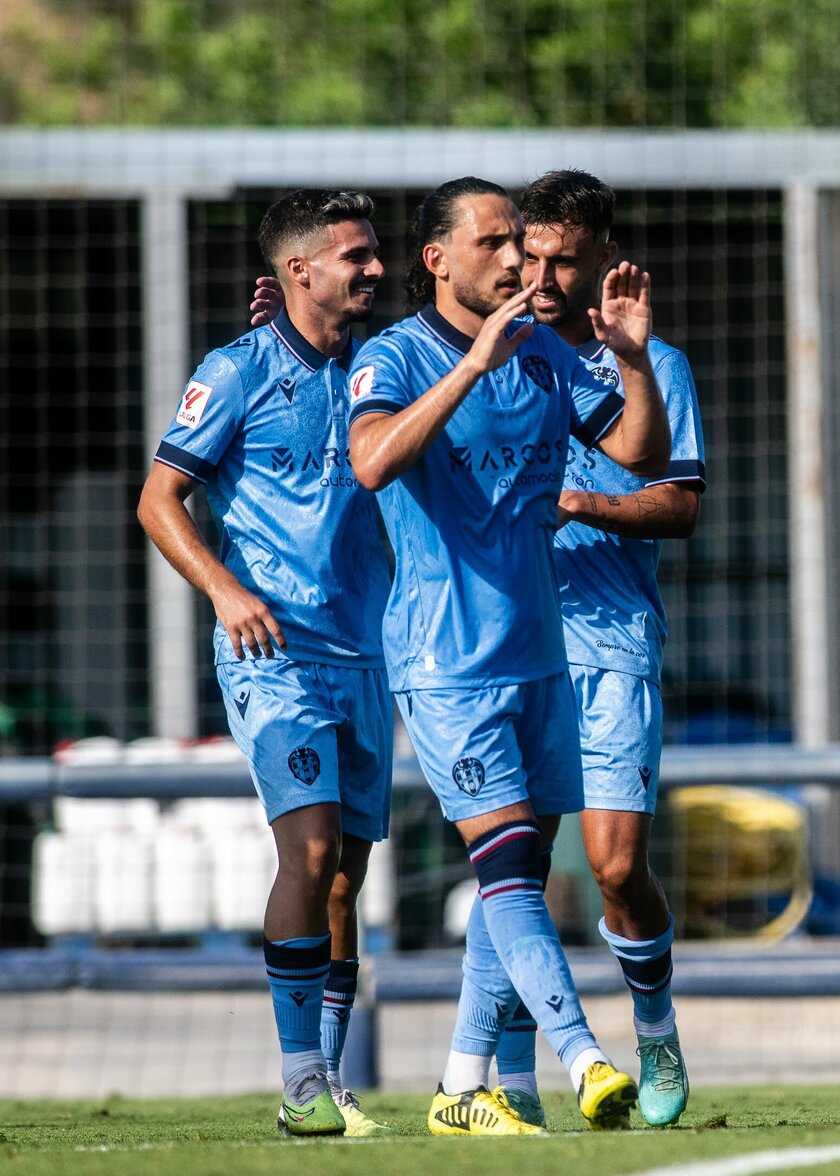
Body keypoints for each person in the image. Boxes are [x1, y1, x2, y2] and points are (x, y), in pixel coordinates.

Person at [346, 176, 673, 1134]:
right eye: (496, 243)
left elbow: (640, 452)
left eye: (521, 245)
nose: (517, 262)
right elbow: (371, 462)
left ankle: (457, 1084)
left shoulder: (541, 352)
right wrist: (472, 367)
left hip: (542, 657)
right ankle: (586, 1059)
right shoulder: (397, 356)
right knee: (504, 869)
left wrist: (633, 361)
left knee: (518, 875)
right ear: (437, 259)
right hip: (446, 661)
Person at [137, 189, 393, 1138]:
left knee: (346, 882)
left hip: (370, 652)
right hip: (273, 654)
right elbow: (161, 500)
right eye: (354, 255)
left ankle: (328, 1074)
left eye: (374, 253)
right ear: (298, 272)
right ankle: (298, 1082)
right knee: (311, 850)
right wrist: (224, 590)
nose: (373, 268)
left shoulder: (386, 367)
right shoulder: (235, 372)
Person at [479, 168, 705, 1129]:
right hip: (511, 639)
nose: (541, 275)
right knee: (514, 871)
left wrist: (586, 502)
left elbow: (680, 502)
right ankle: (518, 1083)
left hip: (610, 636)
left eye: (563, 259)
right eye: (529, 254)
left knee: (614, 866)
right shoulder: (494, 354)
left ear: (604, 260)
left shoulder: (653, 366)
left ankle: (653, 1031)